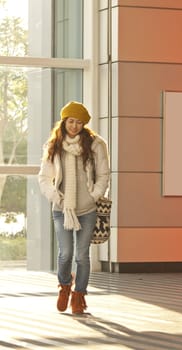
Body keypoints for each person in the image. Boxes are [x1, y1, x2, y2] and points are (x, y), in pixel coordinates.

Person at [38, 101, 110, 314]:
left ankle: (79, 295)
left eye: (79, 122)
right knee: (65, 254)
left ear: (84, 124)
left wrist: (95, 195)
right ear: (64, 121)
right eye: (71, 121)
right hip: (62, 209)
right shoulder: (54, 145)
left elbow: (104, 174)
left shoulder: (96, 144)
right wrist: (55, 197)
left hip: (87, 209)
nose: (74, 126)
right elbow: (44, 177)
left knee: (81, 256)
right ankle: (64, 286)